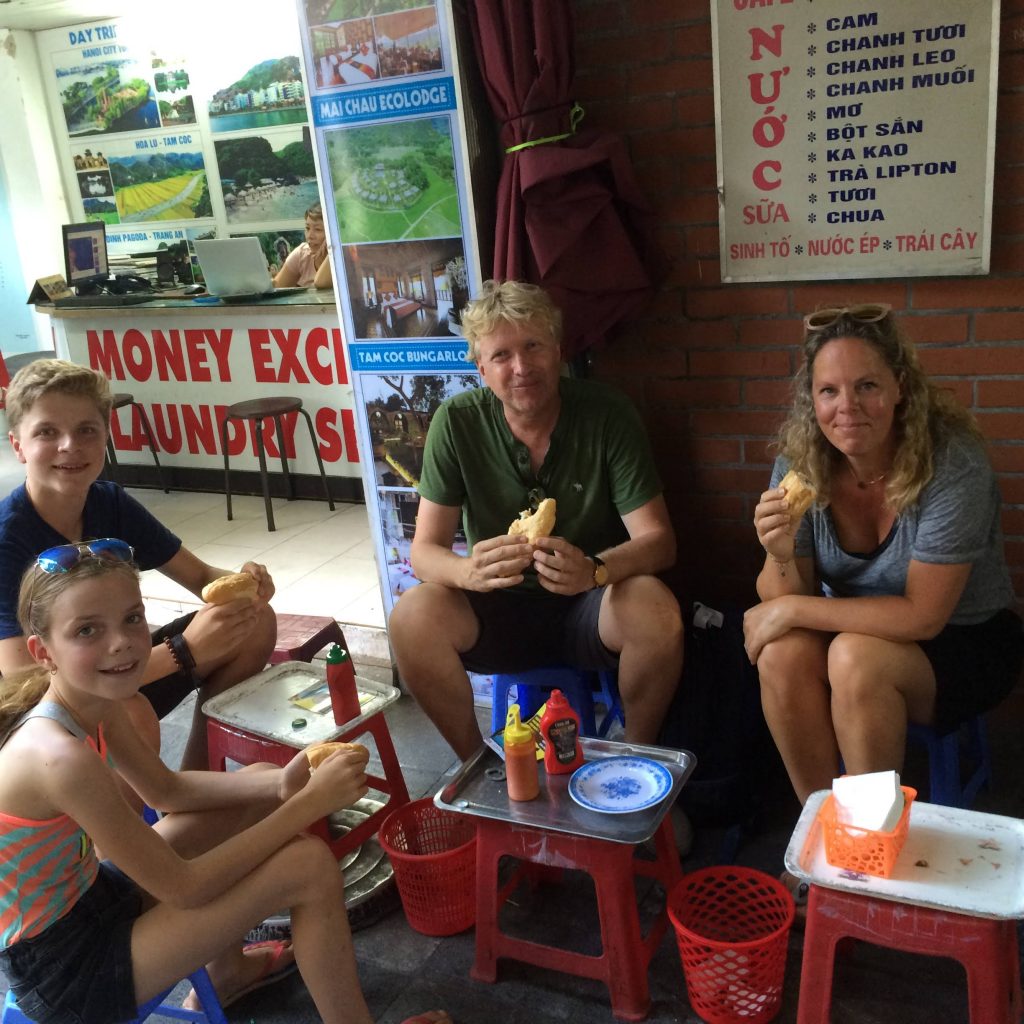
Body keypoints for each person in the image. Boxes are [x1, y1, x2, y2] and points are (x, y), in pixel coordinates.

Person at [0, 542, 450, 1024]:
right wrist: (307, 805)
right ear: (42, 652)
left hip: (89, 901)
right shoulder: (59, 757)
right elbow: (186, 888)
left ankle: (228, 972)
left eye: (132, 619)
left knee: (256, 787)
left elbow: (167, 792)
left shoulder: (95, 701)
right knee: (307, 864)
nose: (121, 643)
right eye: (87, 630)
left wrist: (278, 787)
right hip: (66, 975)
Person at [388, 280, 683, 762]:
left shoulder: (606, 414)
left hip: (591, 609)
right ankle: (477, 767)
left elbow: (658, 541)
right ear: (480, 367)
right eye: (501, 355)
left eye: (533, 347)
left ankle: (638, 763)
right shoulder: (457, 422)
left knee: (655, 605)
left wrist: (595, 569)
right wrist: (467, 572)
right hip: (496, 615)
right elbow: (424, 552)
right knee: (412, 617)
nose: (521, 368)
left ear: (559, 350)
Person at [748, 303, 1024, 805]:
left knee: (854, 656)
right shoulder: (800, 462)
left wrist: (788, 608)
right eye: (829, 390)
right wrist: (780, 554)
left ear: (899, 387)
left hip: (964, 636)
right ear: (812, 399)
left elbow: (923, 616)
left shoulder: (952, 462)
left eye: (867, 385)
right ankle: (819, 827)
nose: (847, 405)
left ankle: (867, 845)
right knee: (783, 653)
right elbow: (785, 589)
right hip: (851, 629)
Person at [0, 359, 277, 772]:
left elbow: (201, 578)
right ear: (18, 445)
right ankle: (118, 831)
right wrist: (183, 652)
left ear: (105, 438)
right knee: (129, 716)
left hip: (116, 669)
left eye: (86, 431)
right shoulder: (8, 541)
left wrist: (246, 582)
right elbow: (24, 681)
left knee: (255, 622)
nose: (69, 446)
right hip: (36, 713)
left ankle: (197, 781)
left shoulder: (109, 503)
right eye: (47, 432)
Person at [273, 204, 333, 290]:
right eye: (307, 228)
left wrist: (331, 250)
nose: (309, 236)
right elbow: (277, 287)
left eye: (318, 229)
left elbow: (320, 283)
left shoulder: (344, 257)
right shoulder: (301, 253)